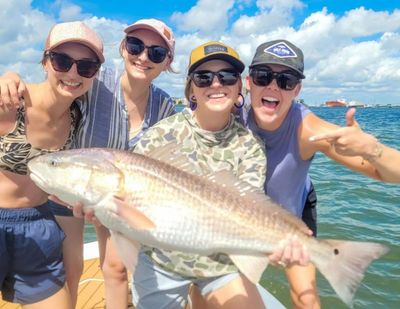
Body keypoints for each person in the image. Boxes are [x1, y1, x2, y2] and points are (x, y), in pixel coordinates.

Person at [0, 18, 177, 308]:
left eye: (156, 53)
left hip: (116, 195)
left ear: (167, 61)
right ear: (123, 47)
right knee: (72, 267)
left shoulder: (165, 106)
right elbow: (51, 87)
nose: (144, 56)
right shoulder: (95, 81)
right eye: (135, 45)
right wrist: (9, 76)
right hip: (69, 189)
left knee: (117, 268)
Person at [125, 40, 305, 309]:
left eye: (227, 76)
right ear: (191, 90)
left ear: (239, 87)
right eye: (204, 77)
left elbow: (247, 210)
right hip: (162, 259)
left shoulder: (251, 145)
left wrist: (277, 241)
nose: (217, 84)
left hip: (220, 261)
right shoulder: (159, 137)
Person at [241, 39, 400, 309]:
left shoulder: (308, 128)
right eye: (263, 76)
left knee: (307, 299)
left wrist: (373, 150)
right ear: (248, 82)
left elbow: (391, 173)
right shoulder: (230, 116)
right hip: (240, 217)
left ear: (297, 89)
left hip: (293, 216)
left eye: (286, 80)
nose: (272, 86)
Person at [0, 21, 103, 308]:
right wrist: (6, 75)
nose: (73, 73)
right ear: (45, 61)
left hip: (39, 224)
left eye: (86, 67)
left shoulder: (77, 116)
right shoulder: (11, 102)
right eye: (62, 60)